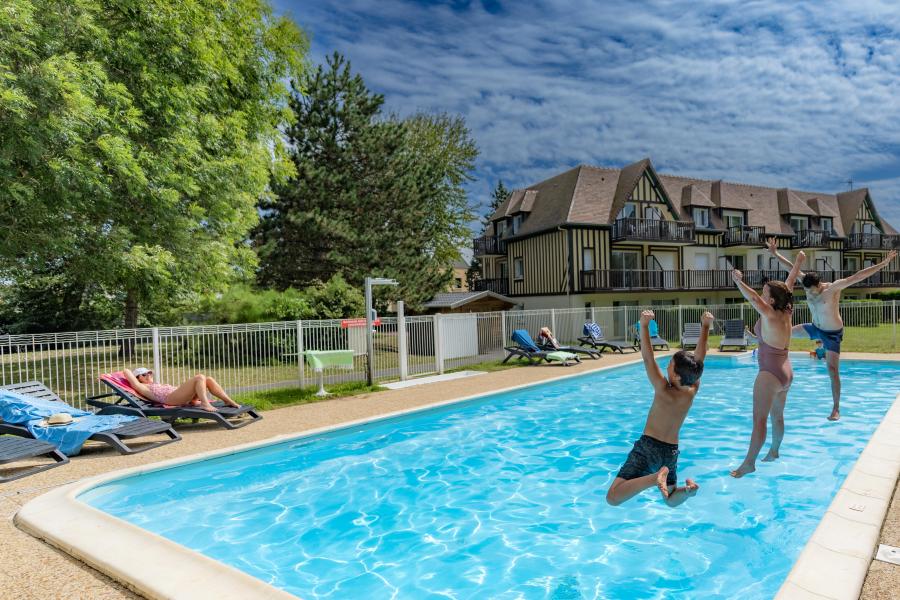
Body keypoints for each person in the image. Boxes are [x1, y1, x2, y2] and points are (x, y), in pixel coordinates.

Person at [767, 239, 897, 420]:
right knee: (784, 332)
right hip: (814, 327)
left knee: (832, 370)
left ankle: (836, 408)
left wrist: (883, 264)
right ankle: (755, 339)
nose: (810, 294)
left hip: (832, 334)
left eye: (812, 291)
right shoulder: (806, 283)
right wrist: (775, 253)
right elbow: (791, 266)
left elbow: (858, 276)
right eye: (807, 292)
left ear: (819, 285)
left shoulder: (833, 288)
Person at [606, 310, 713, 507]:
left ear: (677, 376)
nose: (667, 366)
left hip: (649, 446)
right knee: (671, 500)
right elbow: (700, 359)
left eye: (670, 365)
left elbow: (648, 358)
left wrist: (644, 327)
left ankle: (653, 478)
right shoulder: (692, 390)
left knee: (612, 497)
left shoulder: (663, 388)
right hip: (670, 452)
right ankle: (688, 492)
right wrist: (705, 327)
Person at [730, 253, 805, 478]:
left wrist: (738, 282)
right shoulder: (787, 309)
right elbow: (789, 285)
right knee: (777, 417)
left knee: (759, 420)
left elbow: (753, 298)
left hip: (770, 374)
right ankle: (774, 451)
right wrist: (798, 263)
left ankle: (749, 463)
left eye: (765, 294)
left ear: (771, 301)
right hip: (786, 372)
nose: (762, 296)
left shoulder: (770, 314)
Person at [123, 367, 240, 412]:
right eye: (144, 375)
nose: (148, 376)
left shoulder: (156, 383)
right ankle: (205, 403)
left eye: (149, 373)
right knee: (199, 377)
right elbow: (126, 371)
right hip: (169, 399)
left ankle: (227, 400)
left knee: (208, 379)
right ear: (137, 378)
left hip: (178, 395)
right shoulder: (142, 387)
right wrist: (133, 375)